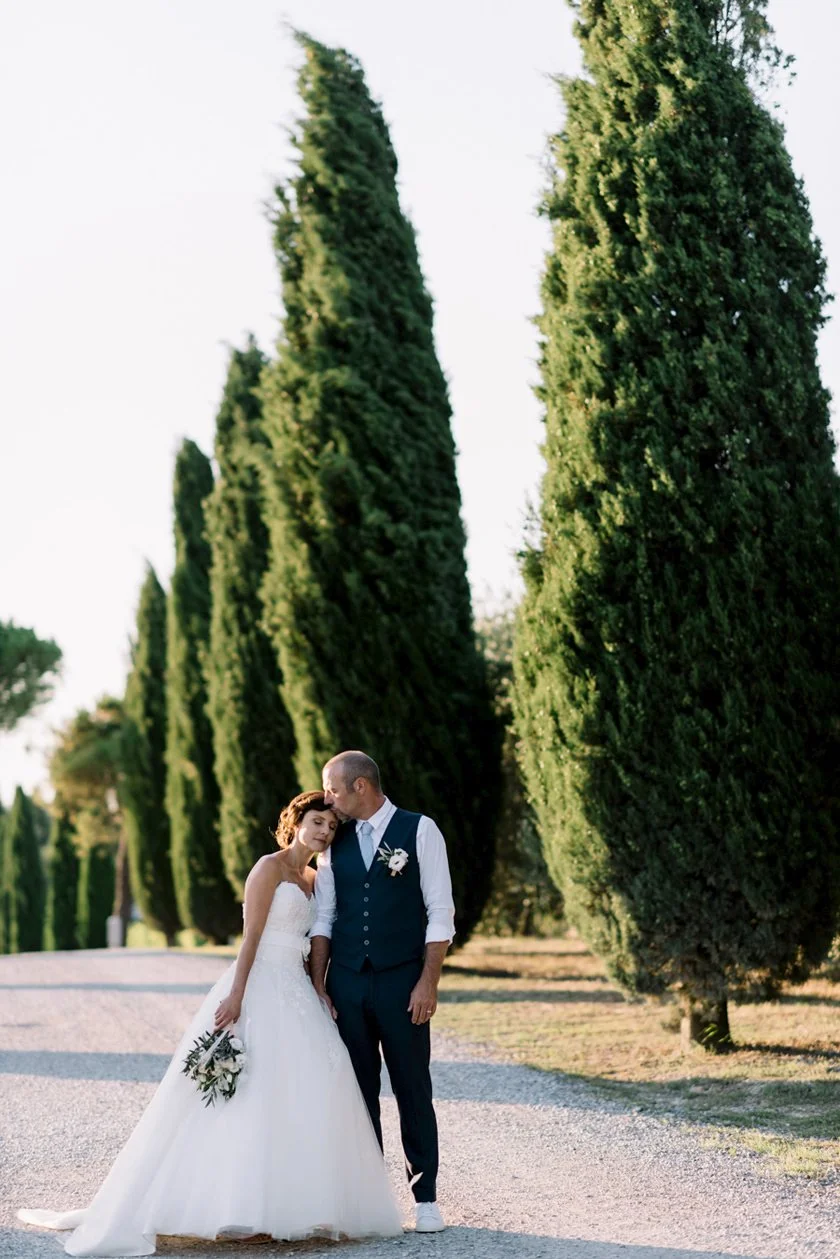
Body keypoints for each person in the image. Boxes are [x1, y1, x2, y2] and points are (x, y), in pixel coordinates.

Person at [19, 791, 403, 1256]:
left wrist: (318, 988)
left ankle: (300, 1205)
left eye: (331, 827)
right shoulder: (267, 868)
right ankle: (238, 1209)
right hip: (257, 983)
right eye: (317, 822)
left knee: (309, 1084)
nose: (325, 832)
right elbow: (251, 939)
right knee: (247, 1093)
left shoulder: (316, 878)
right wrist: (236, 995)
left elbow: (312, 939)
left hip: (297, 990)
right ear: (296, 822)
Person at [311, 750, 455, 1235]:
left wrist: (427, 981)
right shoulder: (335, 841)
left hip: (402, 981)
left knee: (413, 1088)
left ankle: (426, 1197)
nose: (327, 798)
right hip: (347, 981)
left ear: (359, 787)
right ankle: (371, 1200)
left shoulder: (420, 830)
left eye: (332, 788)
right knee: (358, 1092)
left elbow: (440, 912)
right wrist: (320, 985)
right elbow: (325, 917)